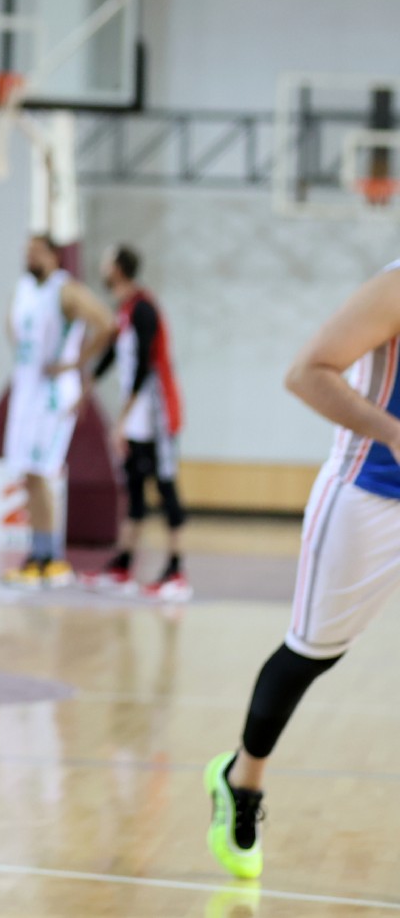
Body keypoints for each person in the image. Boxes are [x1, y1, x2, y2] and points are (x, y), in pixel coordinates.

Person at [205, 259, 400, 882]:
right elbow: (306, 374)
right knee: (312, 652)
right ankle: (242, 780)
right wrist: (393, 432)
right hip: (369, 495)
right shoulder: (396, 286)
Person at [1, 235, 113, 587]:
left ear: (53, 255)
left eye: (36, 251)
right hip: (26, 390)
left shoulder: (66, 291)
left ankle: (50, 557)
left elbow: (106, 324)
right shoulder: (24, 289)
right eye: (27, 251)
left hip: (52, 394)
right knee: (27, 473)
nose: (30, 257)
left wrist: (74, 364)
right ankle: (38, 554)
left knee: (42, 472)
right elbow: (14, 330)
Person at [84, 245, 188, 600]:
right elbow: (112, 354)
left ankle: (176, 571)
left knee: (166, 487)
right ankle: (124, 565)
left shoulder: (144, 308)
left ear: (117, 268)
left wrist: (121, 421)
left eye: (106, 260)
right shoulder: (126, 310)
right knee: (135, 487)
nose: (101, 266)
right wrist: (86, 383)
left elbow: (144, 367)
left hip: (157, 415)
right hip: (136, 417)